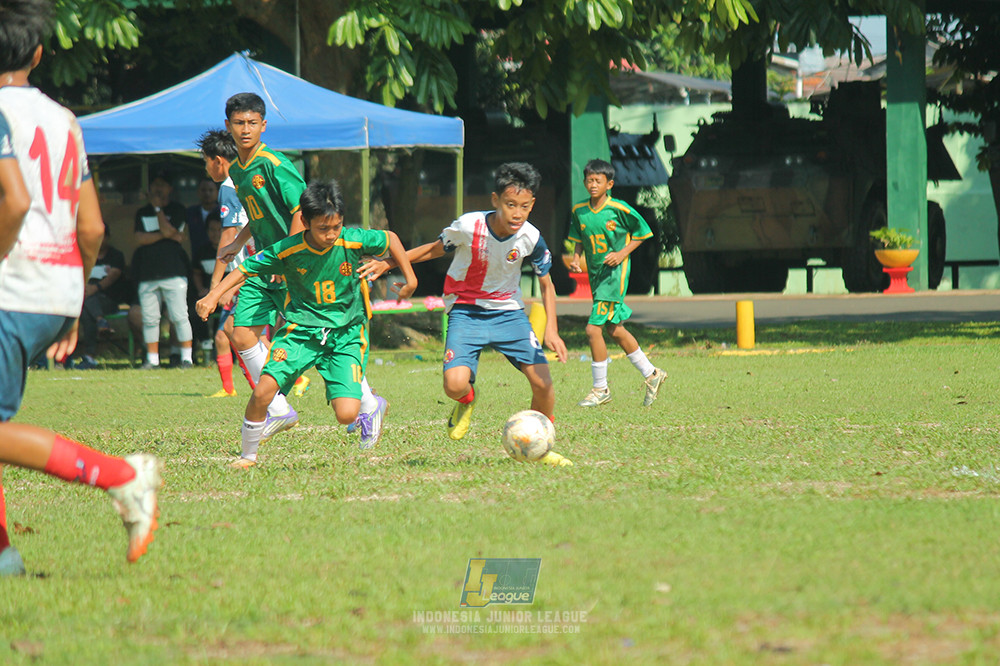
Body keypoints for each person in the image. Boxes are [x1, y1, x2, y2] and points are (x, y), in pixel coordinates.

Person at [0, 0, 161, 576]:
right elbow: (91, 226)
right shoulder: (65, 119)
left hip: (8, 286)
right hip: (55, 287)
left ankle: (122, 476)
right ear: (38, 55)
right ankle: (5, 561)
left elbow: (14, 202)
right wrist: (72, 302)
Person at [197, 179, 417, 466]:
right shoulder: (288, 250)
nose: (330, 234)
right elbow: (246, 268)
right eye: (323, 228)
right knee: (263, 391)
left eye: (335, 226)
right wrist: (214, 295)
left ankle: (371, 409)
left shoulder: (352, 240)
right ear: (304, 220)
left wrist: (410, 279)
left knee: (347, 414)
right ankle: (247, 456)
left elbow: (390, 238)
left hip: (346, 335)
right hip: (300, 332)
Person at [360, 162, 569, 442]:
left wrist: (552, 330)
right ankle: (468, 400)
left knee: (544, 385)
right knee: (453, 385)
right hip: (465, 311)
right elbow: (434, 249)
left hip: (509, 315)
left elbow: (546, 282)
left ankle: (541, 441)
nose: (517, 213)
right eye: (510, 204)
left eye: (525, 206)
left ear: (532, 204)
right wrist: (389, 263)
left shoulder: (531, 237)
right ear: (495, 200)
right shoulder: (469, 226)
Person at [567, 158, 666, 407]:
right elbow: (579, 237)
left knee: (592, 330)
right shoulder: (579, 211)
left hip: (614, 276)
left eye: (598, 181)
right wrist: (577, 258)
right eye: (589, 180)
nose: (592, 185)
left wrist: (622, 253)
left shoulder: (619, 209)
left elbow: (643, 233)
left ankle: (601, 389)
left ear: (609, 184)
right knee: (614, 329)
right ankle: (652, 374)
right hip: (597, 276)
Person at [132, 170, 194, 369]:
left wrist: (158, 209)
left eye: (162, 184)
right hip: (148, 274)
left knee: (179, 316)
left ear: (170, 189)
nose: (158, 189)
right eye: (155, 185)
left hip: (174, 273)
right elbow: (140, 239)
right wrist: (167, 235)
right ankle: (152, 360)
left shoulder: (177, 209)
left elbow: (172, 233)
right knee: (150, 319)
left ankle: (187, 358)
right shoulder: (141, 212)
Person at [70, 229, 128, 369]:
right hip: (87, 300)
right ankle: (100, 323)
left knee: (87, 303)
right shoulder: (86, 255)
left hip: (109, 300)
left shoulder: (115, 255)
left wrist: (94, 288)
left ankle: (88, 356)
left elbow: (114, 275)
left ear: (107, 237)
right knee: (86, 312)